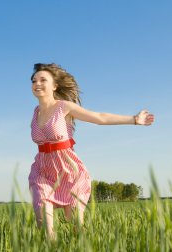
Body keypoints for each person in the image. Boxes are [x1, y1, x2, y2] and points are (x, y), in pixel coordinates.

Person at [28, 63, 155, 240]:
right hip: (42, 169)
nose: (37, 83)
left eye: (43, 80)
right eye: (34, 80)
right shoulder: (35, 112)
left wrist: (134, 119)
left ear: (55, 85)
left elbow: (99, 118)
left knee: (76, 226)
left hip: (68, 169)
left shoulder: (64, 107)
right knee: (43, 220)